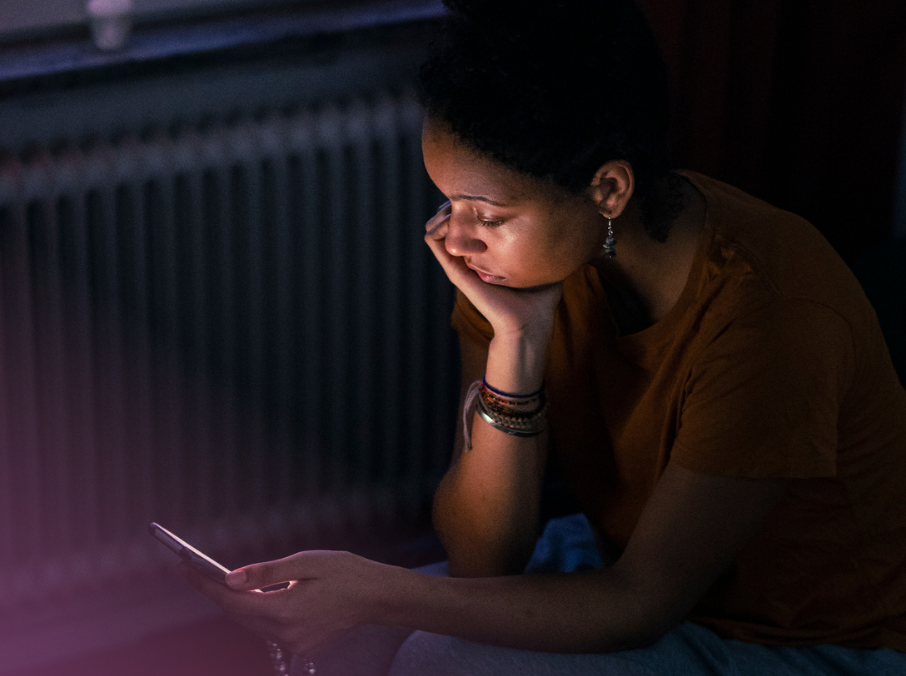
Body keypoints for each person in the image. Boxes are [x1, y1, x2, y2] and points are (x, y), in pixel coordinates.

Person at [183, 0, 906, 673]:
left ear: (609, 190)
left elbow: (642, 604)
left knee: (438, 658)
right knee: (350, 640)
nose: (454, 239)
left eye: (488, 215)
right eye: (449, 203)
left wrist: (381, 590)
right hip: (616, 565)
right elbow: (482, 560)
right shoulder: (524, 269)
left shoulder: (771, 312)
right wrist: (516, 341)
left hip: (807, 639)